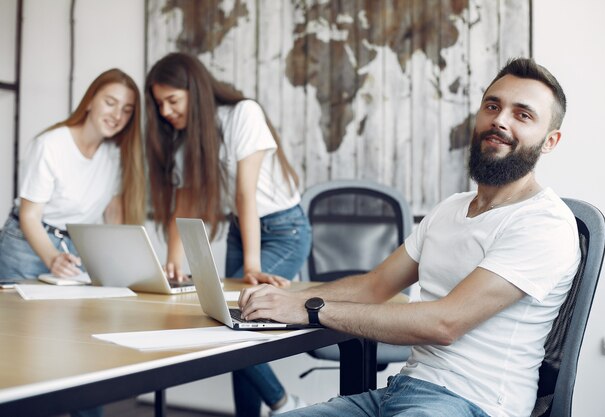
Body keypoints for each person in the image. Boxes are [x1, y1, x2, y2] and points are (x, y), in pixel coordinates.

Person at [238, 57, 581, 417]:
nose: (500, 120)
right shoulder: (451, 207)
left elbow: (444, 323)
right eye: (492, 106)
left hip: (470, 404)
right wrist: (281, 299)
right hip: (397, 393)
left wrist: (311, 310)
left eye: (522, 115)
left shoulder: (544, 222)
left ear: (550, 141)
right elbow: (373, 286)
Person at [144, 52, 312, 416]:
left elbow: (244, 193)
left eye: (172, 100)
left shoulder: (243, 114)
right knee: (231, 326)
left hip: (284, 229)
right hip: (242, 229)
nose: (165, 112)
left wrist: (251, 264)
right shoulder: (190, 140)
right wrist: (173, 263)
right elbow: (184, 201)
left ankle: (284, 404)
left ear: (196, 90)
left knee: (240, 323)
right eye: (159, 104)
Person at [0, 68, 145, 280]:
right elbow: (29, 215)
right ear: (89, 102)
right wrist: (52, 258)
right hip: (25, 246)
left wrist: (120, 261)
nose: (117, 115)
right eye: (110, 103)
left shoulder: (115, 155)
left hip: (75, 251)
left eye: (127, 110)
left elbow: (113, 213)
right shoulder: (49, 145)